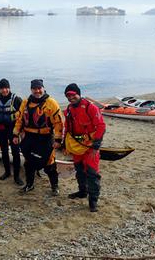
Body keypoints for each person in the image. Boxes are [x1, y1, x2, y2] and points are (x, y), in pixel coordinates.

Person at [13, 79, 63, 196]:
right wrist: (15, 134)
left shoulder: (51, 103)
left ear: (43, 88)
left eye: (39, 88)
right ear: (31, 89)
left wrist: (58, 140)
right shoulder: (25, 102)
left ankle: (54, 186)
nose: (37, 91)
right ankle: (29, 184)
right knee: (29, 162)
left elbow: (58, 123)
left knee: (49, 163)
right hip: (29, 137)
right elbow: (19, 119)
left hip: (45, 137)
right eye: (34, 89)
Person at [63, 83, 106, 212]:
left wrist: (96, 146)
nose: (71, 97)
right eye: (68, 96)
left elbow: (101, 126)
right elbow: (68, 128)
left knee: (92, 174)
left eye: (73, 94)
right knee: (80, 171)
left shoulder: (90, 107)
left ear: (79, 94)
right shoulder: (69, 110)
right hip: (77, 146)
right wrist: (65, 144)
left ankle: (93, 201)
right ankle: (82, 192)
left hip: (90, 147)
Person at [0, 78, 24, 185]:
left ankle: (17, 176)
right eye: (2, 88)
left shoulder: (17, 100)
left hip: (14, 131)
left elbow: (23, 117)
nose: (5, 90)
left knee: (15, 152)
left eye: (6, 88)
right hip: (1, 130)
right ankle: (7, 172)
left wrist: (22, 132)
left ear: (9, 88)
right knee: (4, 151)